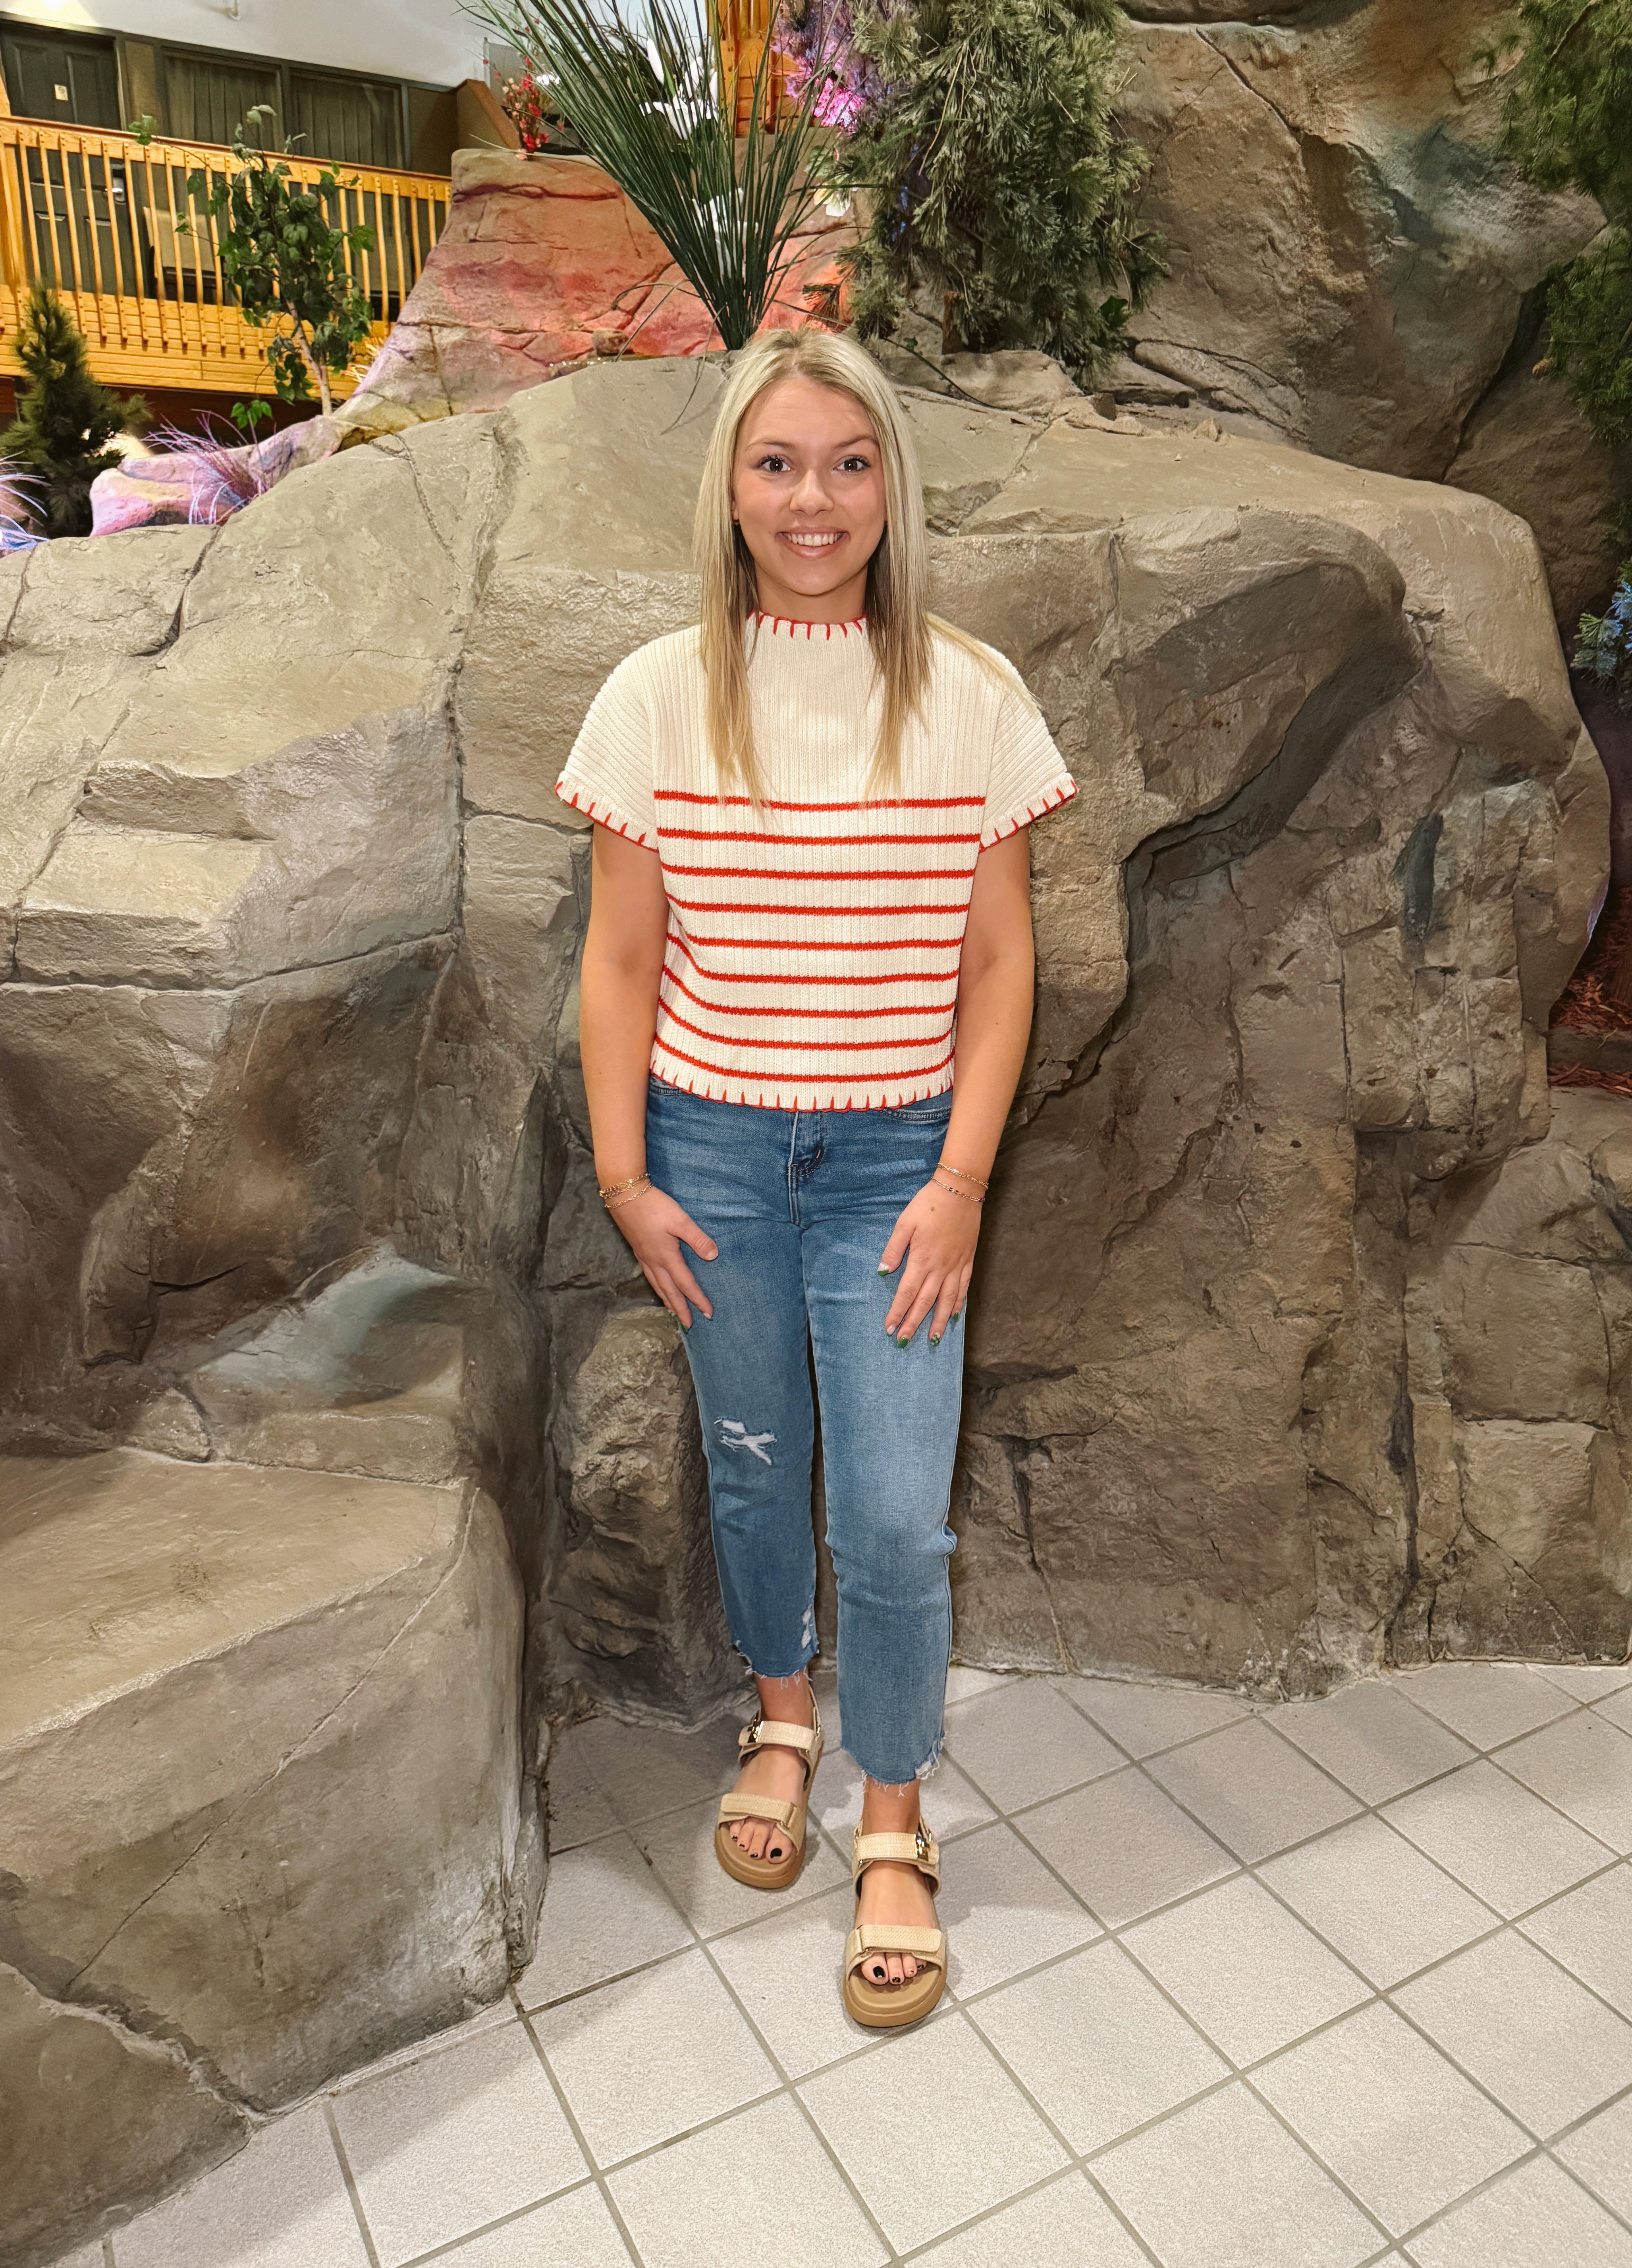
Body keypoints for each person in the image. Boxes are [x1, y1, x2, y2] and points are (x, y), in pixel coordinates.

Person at [557, 325, 1074, 2029]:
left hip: (896, 1172)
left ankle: (899, 1816)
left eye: (850, 464)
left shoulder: (973, 696)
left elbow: (1001, 966)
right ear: (730, 482)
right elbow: (620, 965)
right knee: (757, 1461)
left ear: (890, 488)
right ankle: (783, 1720)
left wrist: (966, 1183)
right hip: (710, 1151)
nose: (814, 498)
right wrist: (628, 1178)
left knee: (897, 1516)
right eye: (779, 462)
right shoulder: (651, 697)